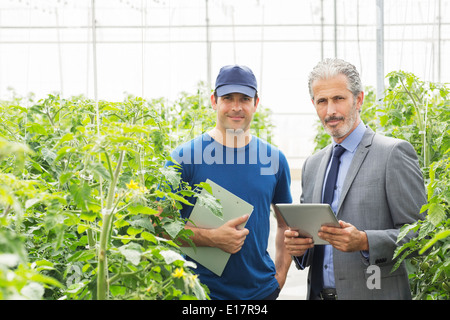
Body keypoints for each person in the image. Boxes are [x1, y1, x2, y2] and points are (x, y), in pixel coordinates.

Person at [284, 58, 426, 300]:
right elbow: (312, 240)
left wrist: (365, 241)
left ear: (359, 99)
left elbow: (421, 236)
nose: (330, 111)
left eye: (339, 99)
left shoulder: (392, 153)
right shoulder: (313, 165)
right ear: (314, 104)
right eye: (322, 101)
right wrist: (300, 249)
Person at [165, 65, 293, 300]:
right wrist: (211, 238)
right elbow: (159, 224)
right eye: (227, 98)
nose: (236, 107)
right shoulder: (184, 158)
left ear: (256, 103)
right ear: (214, 101)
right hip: (200, 294)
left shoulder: (274, 160)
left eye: (244, 98)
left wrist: (280, 275)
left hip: (261, 293)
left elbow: (286, 225)